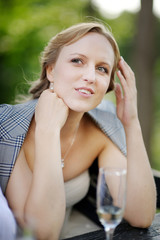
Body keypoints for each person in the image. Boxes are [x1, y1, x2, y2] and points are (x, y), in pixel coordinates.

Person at [0, 21, 156, 240]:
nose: (90, 77)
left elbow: (141, 215)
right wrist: (48, 131)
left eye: (102, 69)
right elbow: (42, 233)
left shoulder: (103, 129)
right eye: (77, 61)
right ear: (51, 70)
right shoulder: (12, 129)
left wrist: (131, 123)